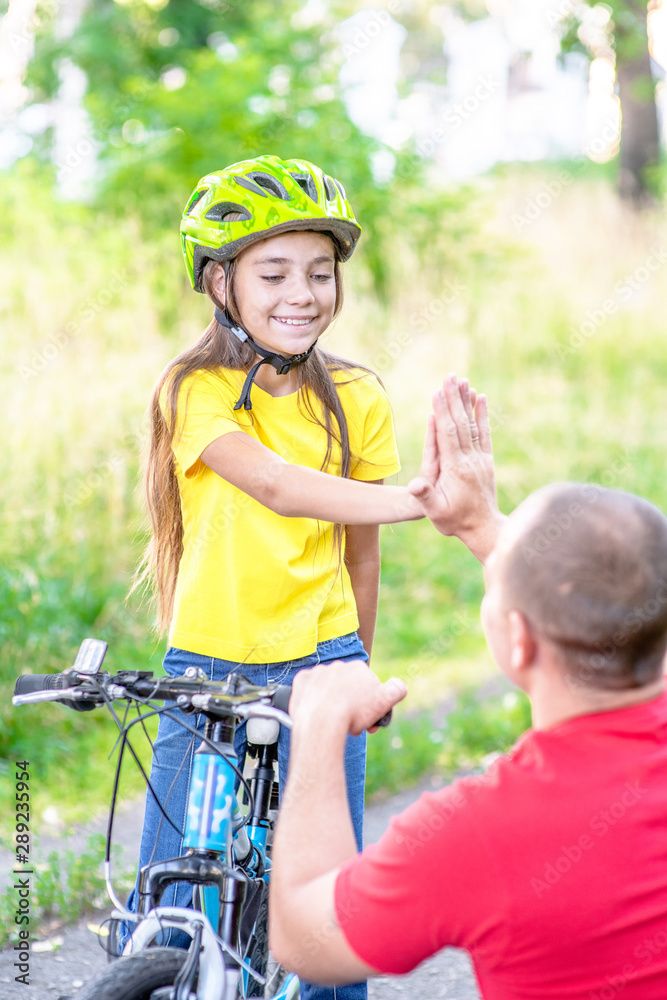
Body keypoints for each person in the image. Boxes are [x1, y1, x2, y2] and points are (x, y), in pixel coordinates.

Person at [118, 154, 488, 1000]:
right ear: (220, 283)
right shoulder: (194, 389)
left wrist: (359, 667)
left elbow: (360, 550)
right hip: (208, 664)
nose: (303, 294)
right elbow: (277, 487)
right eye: (274, 273)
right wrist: (425, 499)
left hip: (323, 660)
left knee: (326, 906)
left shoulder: (355, 394)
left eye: (320, 273)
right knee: (170, 900)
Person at [269, 387, 667, 1000]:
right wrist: (482, 525)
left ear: (518, 641)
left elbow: (306, 939)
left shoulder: (476, 833)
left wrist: (320, 724)